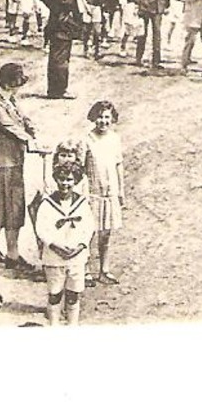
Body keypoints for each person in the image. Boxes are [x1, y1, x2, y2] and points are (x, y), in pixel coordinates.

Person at [0, 63, 38, 268]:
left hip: (13, 160)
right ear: (9, 83)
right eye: (16, 84)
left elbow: (21, 118)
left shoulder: (9, 100)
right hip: (1, 162)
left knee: (8, 206)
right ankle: (5, 253)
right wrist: (30, 140)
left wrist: (30, 126)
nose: (18, 88)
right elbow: (9, 125)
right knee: (5, 207)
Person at [32, 154, 96, 326]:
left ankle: (72, 325)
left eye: (69, 180)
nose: (65, 184)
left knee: (73, 294)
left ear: (75, 181)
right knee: (55, 293)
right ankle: (54, 325)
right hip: (54, 256)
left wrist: (80, 246)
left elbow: (88, 227)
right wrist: (55, 245)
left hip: (77, 256)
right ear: (56, 180)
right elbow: (41, 228)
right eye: (61, 179)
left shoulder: (81, 203)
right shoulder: (47, 203)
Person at [83, 101, 125, 285]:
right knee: (88, 233)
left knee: (106, 233)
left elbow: (118, 165)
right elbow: (82, 168)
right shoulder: (87, 139)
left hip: (110, 192)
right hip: (93, 192)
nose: (103, 121)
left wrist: (121, 190)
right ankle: (84, 271)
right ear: (93, 118)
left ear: (112, 118)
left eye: (107, 117)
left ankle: (104, 270)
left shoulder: (115, 139)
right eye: (100, 117)